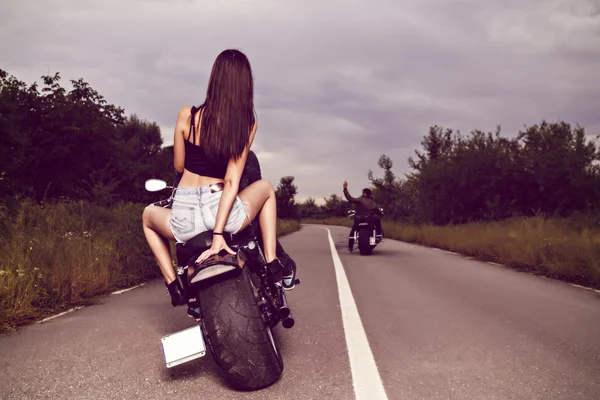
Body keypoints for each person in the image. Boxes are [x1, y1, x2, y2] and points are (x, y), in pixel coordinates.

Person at [142, 49, 296, 307]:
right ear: (246, 84)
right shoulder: (246, 123)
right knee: (267, 189)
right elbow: (233, 181)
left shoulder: (186, 116)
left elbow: (179, 165)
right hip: (223, 213)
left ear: (214, 78)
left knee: (147, 216)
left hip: (185, 218)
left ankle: (173, 285)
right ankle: (271, 262)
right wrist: (217, 235)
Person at [342, 181, 383, 251]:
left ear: (364, 193)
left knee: (353, 231)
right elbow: (379, 212)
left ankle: (350, 247)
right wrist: (380, 214)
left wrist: (345, 189)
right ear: (370, 194)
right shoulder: (373, 203)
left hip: (359, 219)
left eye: (363, 193)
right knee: (377, 221)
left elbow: (350, 198)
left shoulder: (359, 200)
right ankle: (378, 235)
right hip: (369, 220)